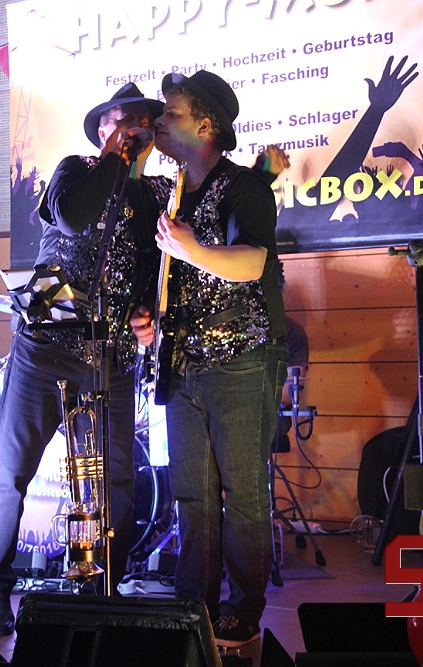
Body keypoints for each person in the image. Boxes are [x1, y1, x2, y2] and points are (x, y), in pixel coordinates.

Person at [0, 83, 171, 636]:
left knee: (116, 480)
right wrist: (114, 159)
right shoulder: (74, 171)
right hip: (45, 347)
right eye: (122, 121)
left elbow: (152, 266)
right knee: (12, 470)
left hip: (108, 354)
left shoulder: (156, 194)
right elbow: (72, 219)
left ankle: (104, 586)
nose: (134, 130)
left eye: (143, 123)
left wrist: (144, 312)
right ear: (103, 129)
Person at [131, 69, 287, 648]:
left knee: (243, 493)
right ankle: (192, 601)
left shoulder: (243, 187)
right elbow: (172, 280)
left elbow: (252, 263)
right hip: (182, 362)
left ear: (206, 126)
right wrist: (147, 318)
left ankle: (243, 608)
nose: (158, 121)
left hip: (241, 359)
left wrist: (192, 248)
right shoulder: (172, 193)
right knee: (192, 493)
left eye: (170, 113)